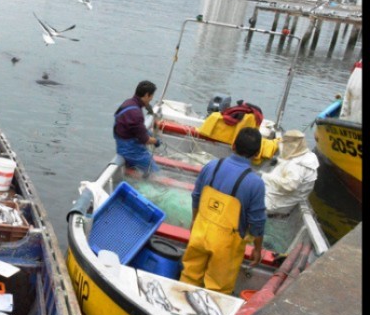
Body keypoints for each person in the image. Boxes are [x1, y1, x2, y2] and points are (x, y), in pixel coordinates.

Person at [179, 127, 267, 295]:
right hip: (226, 246)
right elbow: (257, 222)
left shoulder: (211, 166)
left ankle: (178, 306)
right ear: (257, 155)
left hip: (199, 232)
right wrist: (257, 248)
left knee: (189, 276)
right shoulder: (255, 183)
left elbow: (196, 196)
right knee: (217, 290)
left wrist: (194, 220)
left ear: (233, 145)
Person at [262, 130, 319, 215]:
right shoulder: (309, 157)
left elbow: (290, 185)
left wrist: (266, 177)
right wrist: (278, 160)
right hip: (289, 198)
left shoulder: (295, 165)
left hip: (275, 203)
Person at [113, 80, 161, 176]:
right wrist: (156, 142)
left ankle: (132, 169)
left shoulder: (128, 102)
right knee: (155, 172)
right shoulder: (136, 114)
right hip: (129, 149)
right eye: (151, 96)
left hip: (122, 140)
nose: (152, 98)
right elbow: (145, 140)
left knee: (148, 133)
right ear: (147, 95)